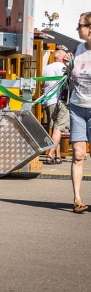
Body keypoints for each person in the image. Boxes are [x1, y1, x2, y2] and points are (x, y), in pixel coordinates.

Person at [63, 12, 91, 213]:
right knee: (78, 155)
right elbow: (73, 79)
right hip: (77, 106)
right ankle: (77, 199)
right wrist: (68, 65)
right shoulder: (78, 49)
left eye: (79, 25)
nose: (77, 29)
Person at [42, 49, 69, 165]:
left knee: (54, 130)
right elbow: (67, 83)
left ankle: (57, 156)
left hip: (49, 101)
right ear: (62, 58)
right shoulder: (62, 67)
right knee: (58, 129)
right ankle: (50, 154)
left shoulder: (46, 68)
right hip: (60, 101)